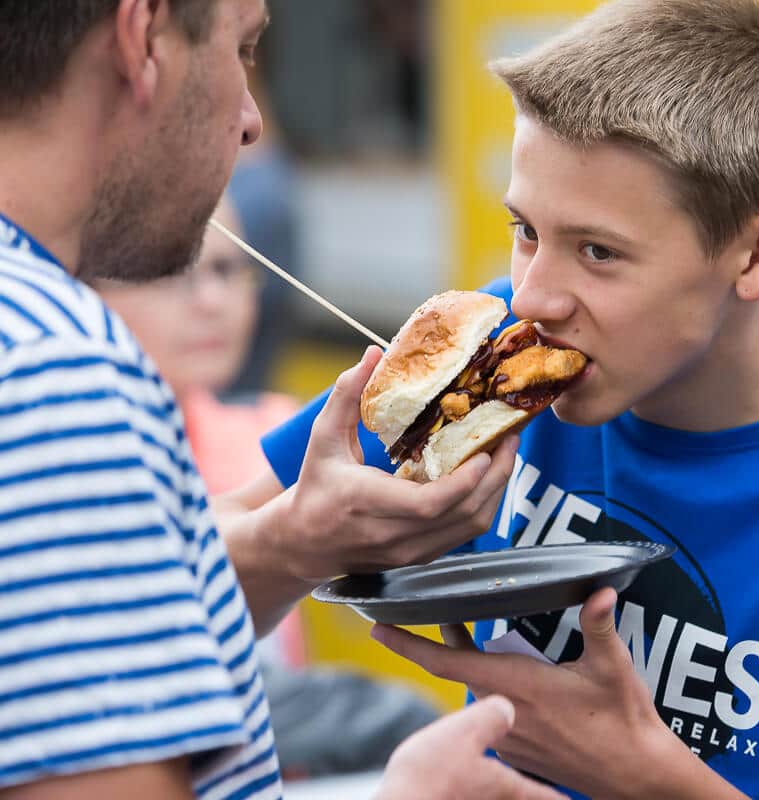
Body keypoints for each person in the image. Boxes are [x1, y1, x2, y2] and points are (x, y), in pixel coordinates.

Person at [262, 1, 759, 797]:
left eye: (598, 252)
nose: (534, 297)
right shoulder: (499, 370)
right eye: (526, 229)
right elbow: (203, 561)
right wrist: (299, 534)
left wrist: (647, 779)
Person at [0, 1, 557, 798]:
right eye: (245, 49)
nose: (253, 122)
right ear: (142, 36)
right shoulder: (60, 379)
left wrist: (298, 542)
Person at [92, 198, 443, 779]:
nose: (212, 303)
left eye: (228, 271)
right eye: (174, 271)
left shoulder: (272, 435)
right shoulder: (79, 465)